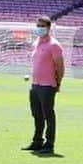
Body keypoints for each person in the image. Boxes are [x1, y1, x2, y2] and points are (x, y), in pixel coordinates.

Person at [23, 17, 64, 155]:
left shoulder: (54, 45)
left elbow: (60, 66)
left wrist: (58, 82)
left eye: (42, 26)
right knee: (36, 115)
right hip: (35, 84)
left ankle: (49, 144)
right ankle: (37, 141)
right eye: (38, 25)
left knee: (48, 115)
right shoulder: (36, 43)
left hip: (47, 85)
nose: (39, 28)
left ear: (48, 27)